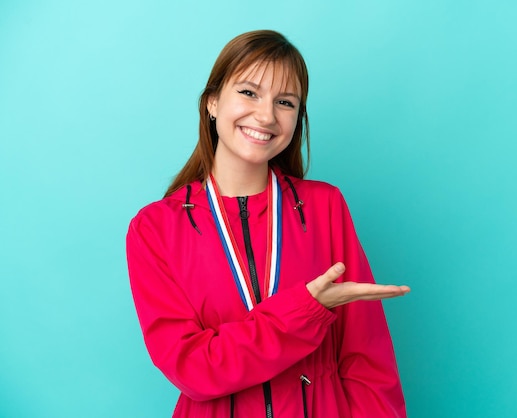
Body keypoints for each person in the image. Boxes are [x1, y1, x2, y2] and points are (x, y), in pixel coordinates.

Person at [126, 29, 410, 418]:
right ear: (212, 101)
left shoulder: (325, 206)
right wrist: (306, 310)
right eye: (248, 92)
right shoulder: (155, 228)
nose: (266, 115)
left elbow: (368, 363)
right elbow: (193, 369)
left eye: (285, 102)